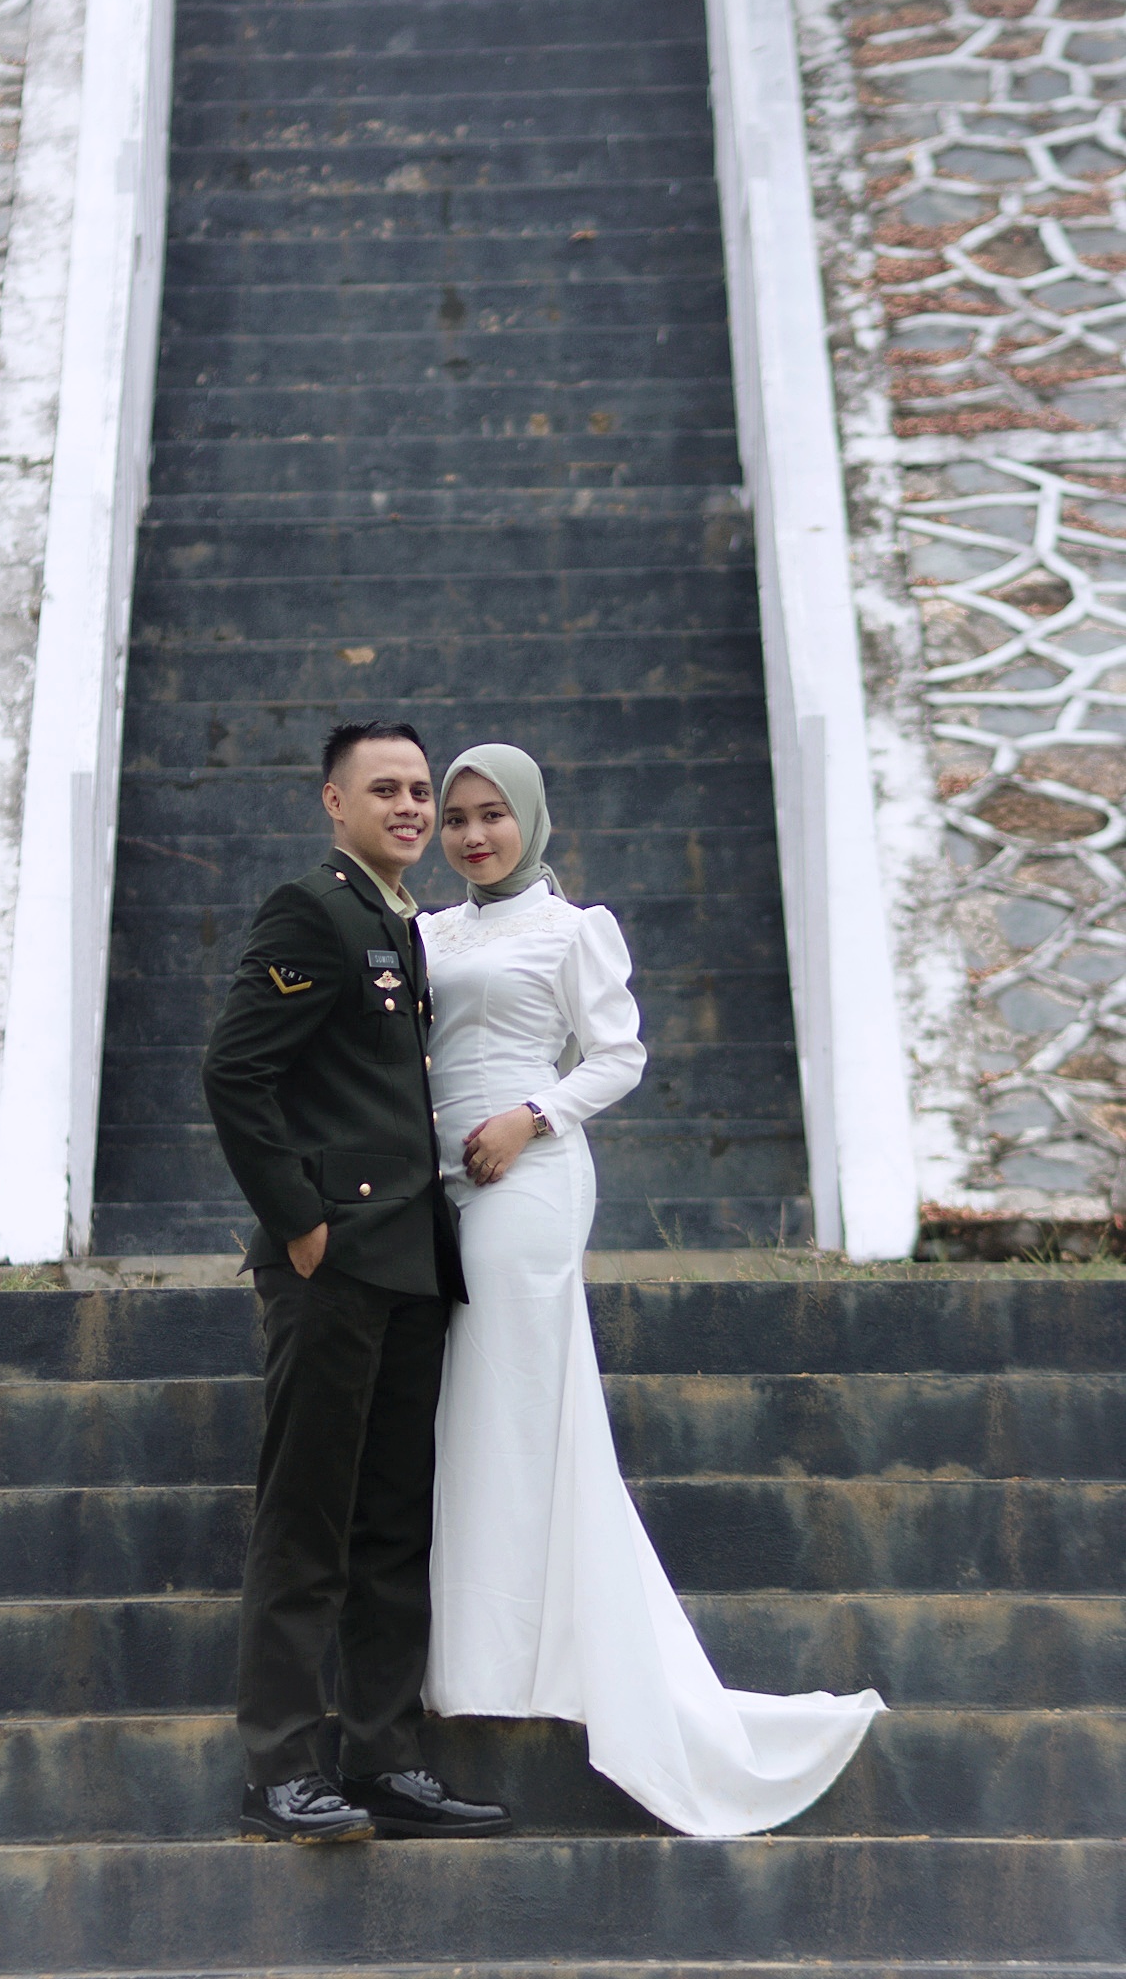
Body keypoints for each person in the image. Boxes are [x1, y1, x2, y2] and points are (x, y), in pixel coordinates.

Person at [419, 742, 884, 1836]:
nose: (475, 835)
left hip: (526, 1181)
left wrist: (530, 1116)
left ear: (532, 817)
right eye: (458, 817)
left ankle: (552, 1656)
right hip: (431, 1185)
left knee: (518, 1408)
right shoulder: (427, 931)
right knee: (459, 1413)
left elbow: (617, 1053)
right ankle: (477, 1651)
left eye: (493, 814)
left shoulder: (573, 927)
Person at [202, 719, 511, 1844]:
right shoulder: (313, 911)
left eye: (420, 789)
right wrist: (299, 1222)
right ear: (334, 802)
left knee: (392, 1529)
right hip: (333, 1267)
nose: (411, 807)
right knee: (307, 1521)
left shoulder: (401, 926)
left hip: (411, 1263)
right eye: (385, 789)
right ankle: (280, 1769)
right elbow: (235, 1071)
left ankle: (384, 1759)